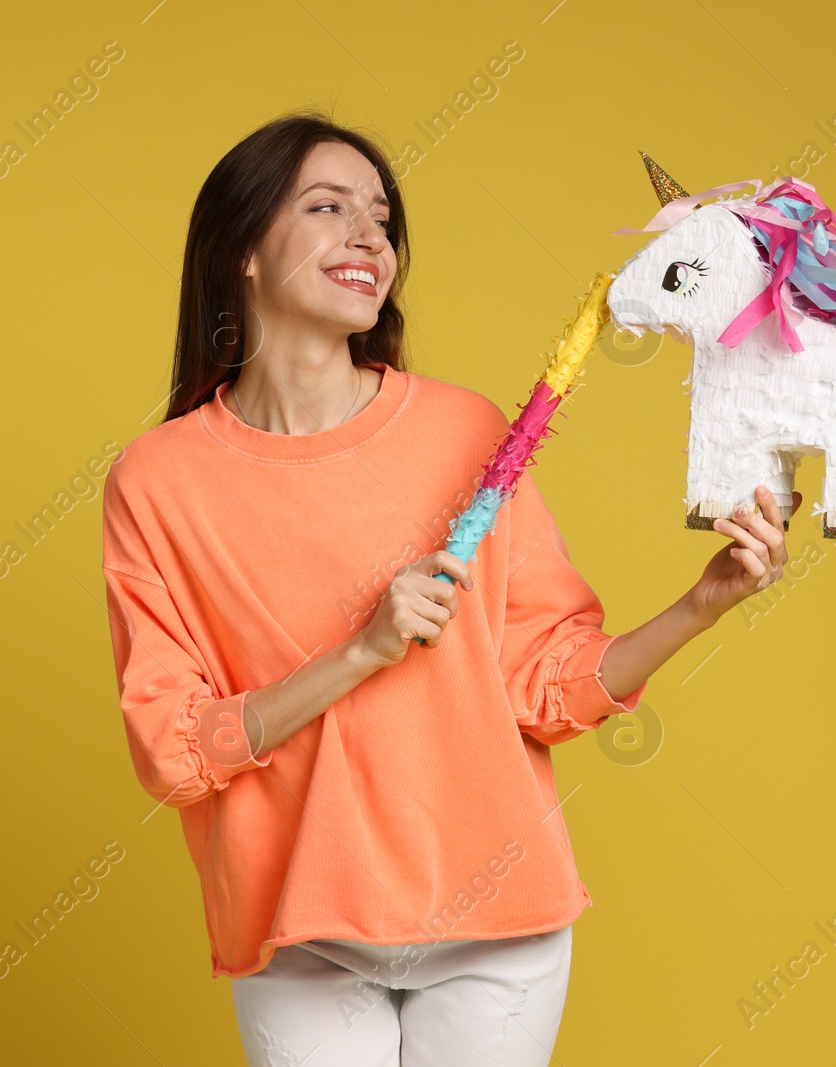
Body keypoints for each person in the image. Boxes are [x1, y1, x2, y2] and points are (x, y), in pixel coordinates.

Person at [99, 109, 800, 1067]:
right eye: (327, 207)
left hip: (496, 924)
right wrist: (360, 652)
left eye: (382, 219)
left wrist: (701, 603)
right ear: (243, 251)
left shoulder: (468, 435)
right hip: (299, 928)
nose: (367, 237)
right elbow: (175, 752)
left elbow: (545, 687)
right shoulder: (159, 480)